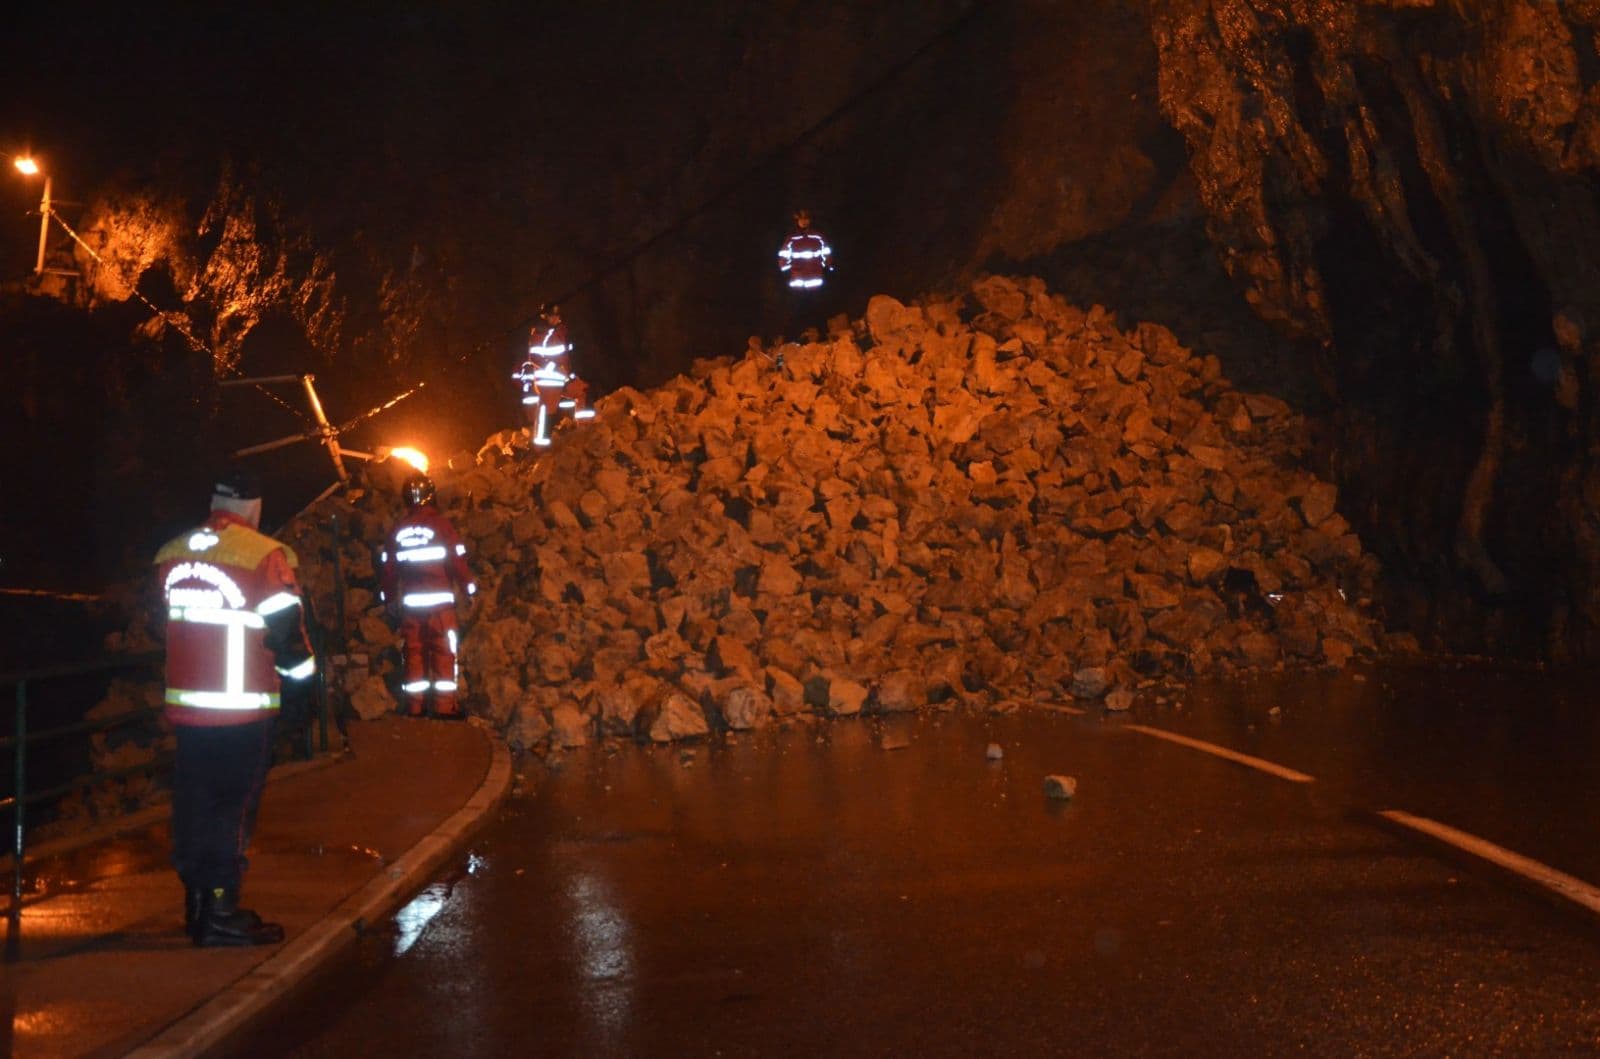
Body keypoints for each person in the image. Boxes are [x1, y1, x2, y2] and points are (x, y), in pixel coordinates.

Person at [156, 467, 315, 946]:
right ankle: (222, 911)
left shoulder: (171, 553)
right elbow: (288, 637)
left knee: (194, 806)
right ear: (254, 507)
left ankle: (198, 906)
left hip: (188, 708)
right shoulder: (263, 555)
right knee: (232, 810)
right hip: (243, 710)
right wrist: (303, 690)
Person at [379, 472, 476, 717]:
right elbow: (457, 560)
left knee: (414, 653)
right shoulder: (441, 525)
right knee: (444, 652)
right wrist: (469, 588)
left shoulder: (398, 530)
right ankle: (444, 707)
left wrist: (388, 598)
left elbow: (388, 570)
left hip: (412, 606)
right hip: (440, 606)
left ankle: (415, 706)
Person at [515, 305, 596, 448]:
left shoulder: (560, 332)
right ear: (545, 316)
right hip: (548, 381)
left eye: (557, 316)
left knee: (583, 391)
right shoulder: (539, 333)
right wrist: (556, 368)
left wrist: (570, 373)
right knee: (547, 411)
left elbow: (566, 356)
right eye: (552, 316)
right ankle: (541, 444)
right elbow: (535, 358)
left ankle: (585, 430)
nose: (556, 318)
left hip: (562, 379)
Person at [775, 209, 835, 344]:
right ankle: (792, 339)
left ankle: (823, 336)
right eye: (801, 219)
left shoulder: (818, 236)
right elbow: (783, 257)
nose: (804, 222)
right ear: (797, 220)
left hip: (815, 281)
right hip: (798, 281)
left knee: (818, 309)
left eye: (806, 219)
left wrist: (828, 268)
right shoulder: (791, 238)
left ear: (810, 220)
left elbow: (826, 254)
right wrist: (786, 272)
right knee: (796, 310)